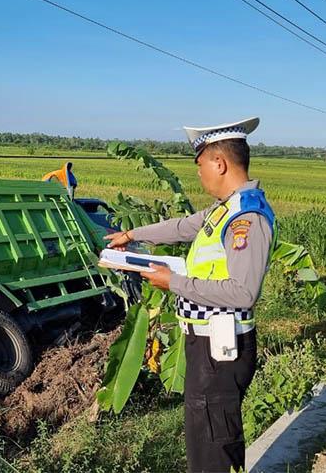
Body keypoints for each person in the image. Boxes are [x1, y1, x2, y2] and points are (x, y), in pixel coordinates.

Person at [104, 117, 276, 473]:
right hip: (207, 347)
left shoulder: (246, 218)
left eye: (200, 166)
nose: (199, 175)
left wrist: (174, 283)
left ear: (219, 163)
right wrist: (132, 234)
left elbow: (243, 292)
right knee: (204, 440)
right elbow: (184, 226)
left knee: (215, 446)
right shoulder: (224, 209)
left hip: (222, 351)